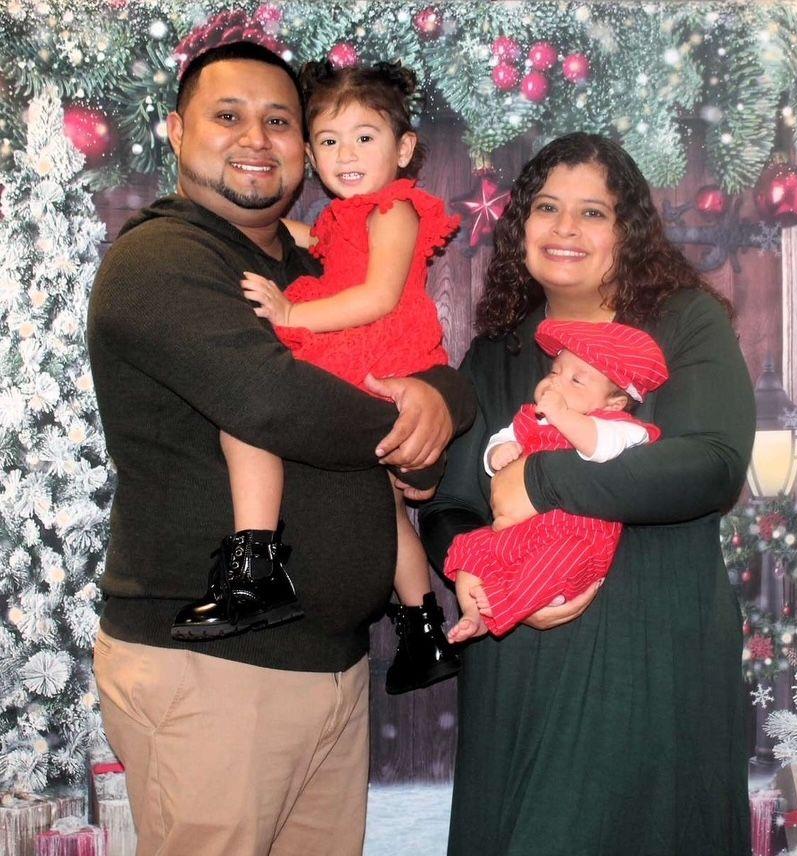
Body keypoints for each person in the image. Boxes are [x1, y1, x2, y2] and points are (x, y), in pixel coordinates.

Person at [87, 40, 474, 856]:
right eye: (227, 116)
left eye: (279, 121)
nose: (255, 138)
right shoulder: (164, 258)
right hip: (216, 677)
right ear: (175, 131)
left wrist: (442, 401)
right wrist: (411, 419)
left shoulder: (313, 260)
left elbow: (420, 365)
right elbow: (276, 403)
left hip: (332, 669)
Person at [419, 132, 754, 854]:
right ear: (521, 226)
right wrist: (467, 568)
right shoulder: (498, 353)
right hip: (519, 667)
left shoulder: (685, 322)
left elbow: (713, 466)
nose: (565, 228)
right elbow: (450, 506)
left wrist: (543, 480)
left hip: (649, 661)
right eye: (547, 207)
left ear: (627, 231)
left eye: (593, 212)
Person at [174, 60, 461, 695]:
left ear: (404, 149)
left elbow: (380, 295)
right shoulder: (344, 218)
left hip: (374, 349)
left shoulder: (393, 209)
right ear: (310, 153)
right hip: (374, 355)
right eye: (329, 141)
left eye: (365, 137)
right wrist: (233, 220)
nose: (346, 154)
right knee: (385, 505)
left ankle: (255, 561)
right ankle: (423, 630)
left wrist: (291, 314)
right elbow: (298, 236)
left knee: (246, 420)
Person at [445, 318, 668, 641]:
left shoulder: (621, 427)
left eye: (576, 380)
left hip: (574, 539)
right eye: (554, 372)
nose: (556, 383)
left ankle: (506, 602)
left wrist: (561, 415)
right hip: (518, 533)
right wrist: (499, 453)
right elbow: (501, 439)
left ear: (615, 402)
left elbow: (599, 448)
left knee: (551, 567)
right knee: (471, 549)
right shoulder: (533, 417)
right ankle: (474, 614)